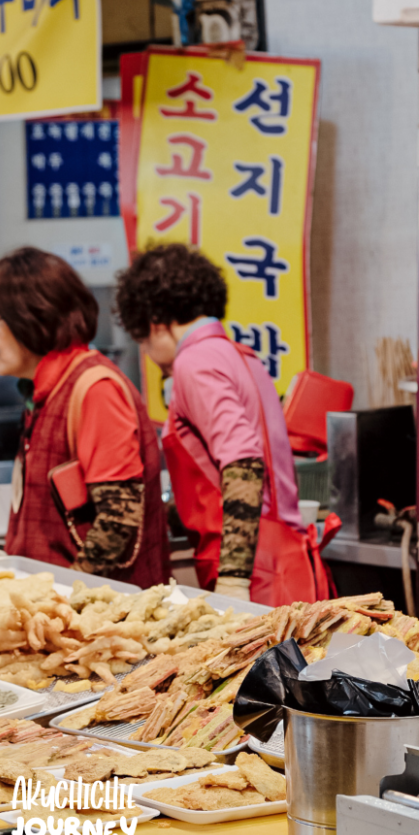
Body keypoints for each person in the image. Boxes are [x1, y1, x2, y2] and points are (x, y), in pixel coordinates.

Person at [114, 243, 333, 605]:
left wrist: (233, 580)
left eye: (143, 342)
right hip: (288, 558)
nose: (151, 357)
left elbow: (242, 461)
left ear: (156, 322)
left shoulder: (194, 362)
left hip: (257, 572)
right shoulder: (240, 355)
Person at [0, 247, 170, 588]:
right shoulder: (44, 389)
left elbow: (117, 523)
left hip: (96, 621)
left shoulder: (95, 389)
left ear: (31, 315)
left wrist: (63, 599)